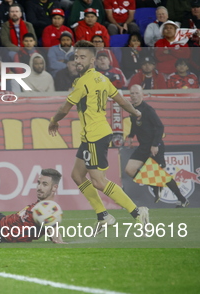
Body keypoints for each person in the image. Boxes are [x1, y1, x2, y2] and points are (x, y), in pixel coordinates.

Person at [48, 40, 149, 236]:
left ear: (93, 60)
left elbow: (64, 109)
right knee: (77, 176)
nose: (78, 60)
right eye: (76, 57)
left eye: (82, 57)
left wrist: (53, 121)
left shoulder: (82, 82)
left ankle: (137, 212)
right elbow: (121, 101)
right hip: (91, 136)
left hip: (96, 136)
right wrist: (136, 113)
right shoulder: (102, 79)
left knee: (99, 182)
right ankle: (103, 216)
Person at [125, 84, 189, 207]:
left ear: (142, 95)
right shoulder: (132, 109)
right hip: (143, 146)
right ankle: (154, 184)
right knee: (129, 170)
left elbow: (160, 127)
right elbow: (135, 124)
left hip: (154, 146)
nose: (134, 96)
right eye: (132, 93)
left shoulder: (148, 110)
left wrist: (155, 145)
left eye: (137, 93)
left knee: (163, 175)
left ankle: (182, 199)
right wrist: (131, 136)